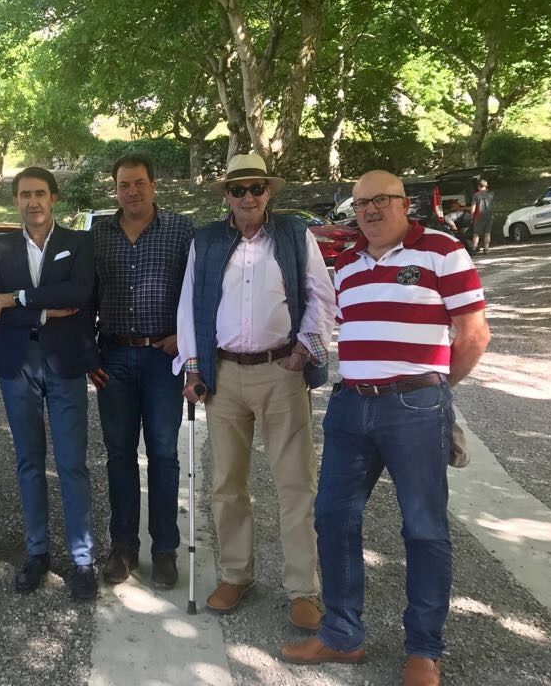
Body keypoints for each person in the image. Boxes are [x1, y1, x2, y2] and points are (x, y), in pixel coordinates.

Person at [281, 170, 490, 686]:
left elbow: (473, 334)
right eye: (360, 203)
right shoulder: (347, 263)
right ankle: (342, 636)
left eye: (381, 200)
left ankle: (423, 650)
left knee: (423, 529)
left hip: (414, 407)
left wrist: (435, 389)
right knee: (331, 518)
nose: (370, 210)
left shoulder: (442, 251)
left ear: (404, 203)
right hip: (352, 407)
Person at [175, 152, 335, 631]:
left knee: (295, 485)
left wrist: (305, 351)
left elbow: (321, 294)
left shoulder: (293, 233)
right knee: (226, 485)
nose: (248, 197)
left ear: (270, 192)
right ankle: (235, 574)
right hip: (223, 374)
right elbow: (189, 304)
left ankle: (304, 588)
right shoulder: (205, 240)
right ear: (226, 195)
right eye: (238, 189)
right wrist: (192, 367)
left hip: (281, 370)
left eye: (257, 188)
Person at [0, 167, 99, 601]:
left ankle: (83, 559)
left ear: (54, 199)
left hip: (65, 362)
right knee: (29, 461)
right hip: (19, 363)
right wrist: (44, 312)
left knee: (72, 463)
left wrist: (20, 298)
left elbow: (80, 292)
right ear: (16, 201)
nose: (33, 202)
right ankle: (37, 552)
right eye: (25, 195)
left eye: (40, 194)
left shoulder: (79, 243)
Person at [90, 152, 194, 589]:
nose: (131, 191)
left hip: (161, 359)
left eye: (139, 183)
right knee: (118, 456)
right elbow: (84, 295)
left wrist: (186, 341)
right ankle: (124, 547)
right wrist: (87, 352)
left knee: (165, 455)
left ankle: (165, 550)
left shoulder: (180, 231)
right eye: (123, 185)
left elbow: (198, 292)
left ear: (153, 186)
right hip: (112, 357)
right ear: (115, 189)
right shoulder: (97, 234)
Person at [471, 179, 495, 253]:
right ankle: (486, 249)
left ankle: (474, 249)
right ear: (486, 186)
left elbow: (473, 207)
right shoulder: (491, 194)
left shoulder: (476, 195)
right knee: (487, 233)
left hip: (479, 216)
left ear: (478, 186)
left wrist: (472, 217)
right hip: (489, 215)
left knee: (476, 234)